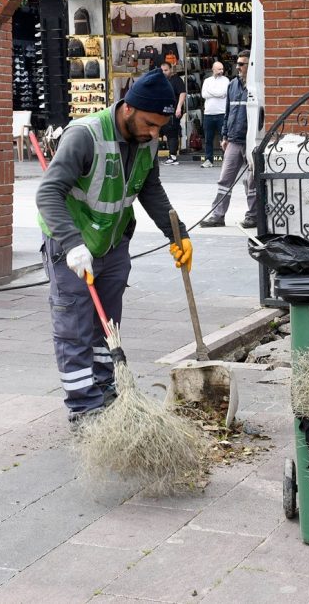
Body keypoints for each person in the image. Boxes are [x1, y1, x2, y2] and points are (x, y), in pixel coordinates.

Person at [35, 68, 193, 428]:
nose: (155, 133)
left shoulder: (149, 140)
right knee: (74, 327)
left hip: (113, 243)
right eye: (150, 124)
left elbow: (150, 190)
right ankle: (84, 408)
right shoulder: (84, 135)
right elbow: (48, 193)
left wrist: (178, 234)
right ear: (128, 109)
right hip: (71, 246)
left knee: (107, 326)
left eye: (160, 127)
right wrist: (73, 245)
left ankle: (105, 390)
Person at [201, 51, 257, 229]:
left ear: (251, 66)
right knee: (225, 180)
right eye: (238, 64)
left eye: (242, 64)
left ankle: (253, 215)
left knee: (251, 180)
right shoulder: (232, 85)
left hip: (251, 141)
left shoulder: (256, 86)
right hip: (233, 139)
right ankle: (218, 216)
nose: (238, 67)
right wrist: (225, 136)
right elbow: (228, 113)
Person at [199, 61, 229, 168]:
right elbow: (203, 94)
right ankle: (208, 160)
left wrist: (211, 91)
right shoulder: (207, 80)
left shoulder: (226, 80)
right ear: (213, 69)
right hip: (208, 113)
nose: (221, 71)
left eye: (222, 69)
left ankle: (226, 160)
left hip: (222, 113)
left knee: (224, 138)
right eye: (219, 69)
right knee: (208, 139)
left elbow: (223, 93)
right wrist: (216, 93)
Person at [158, 61, 186, 165]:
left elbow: (182, 93)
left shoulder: (176, 80)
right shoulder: (161, 81)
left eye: (166, 70)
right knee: (164, 131)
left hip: (173, 111)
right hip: (163, 111)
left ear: (171, 70)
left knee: (172, 133)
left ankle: (173, 156)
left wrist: (179, 107)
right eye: (162, 70)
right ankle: (170, 155)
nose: (164, 72)